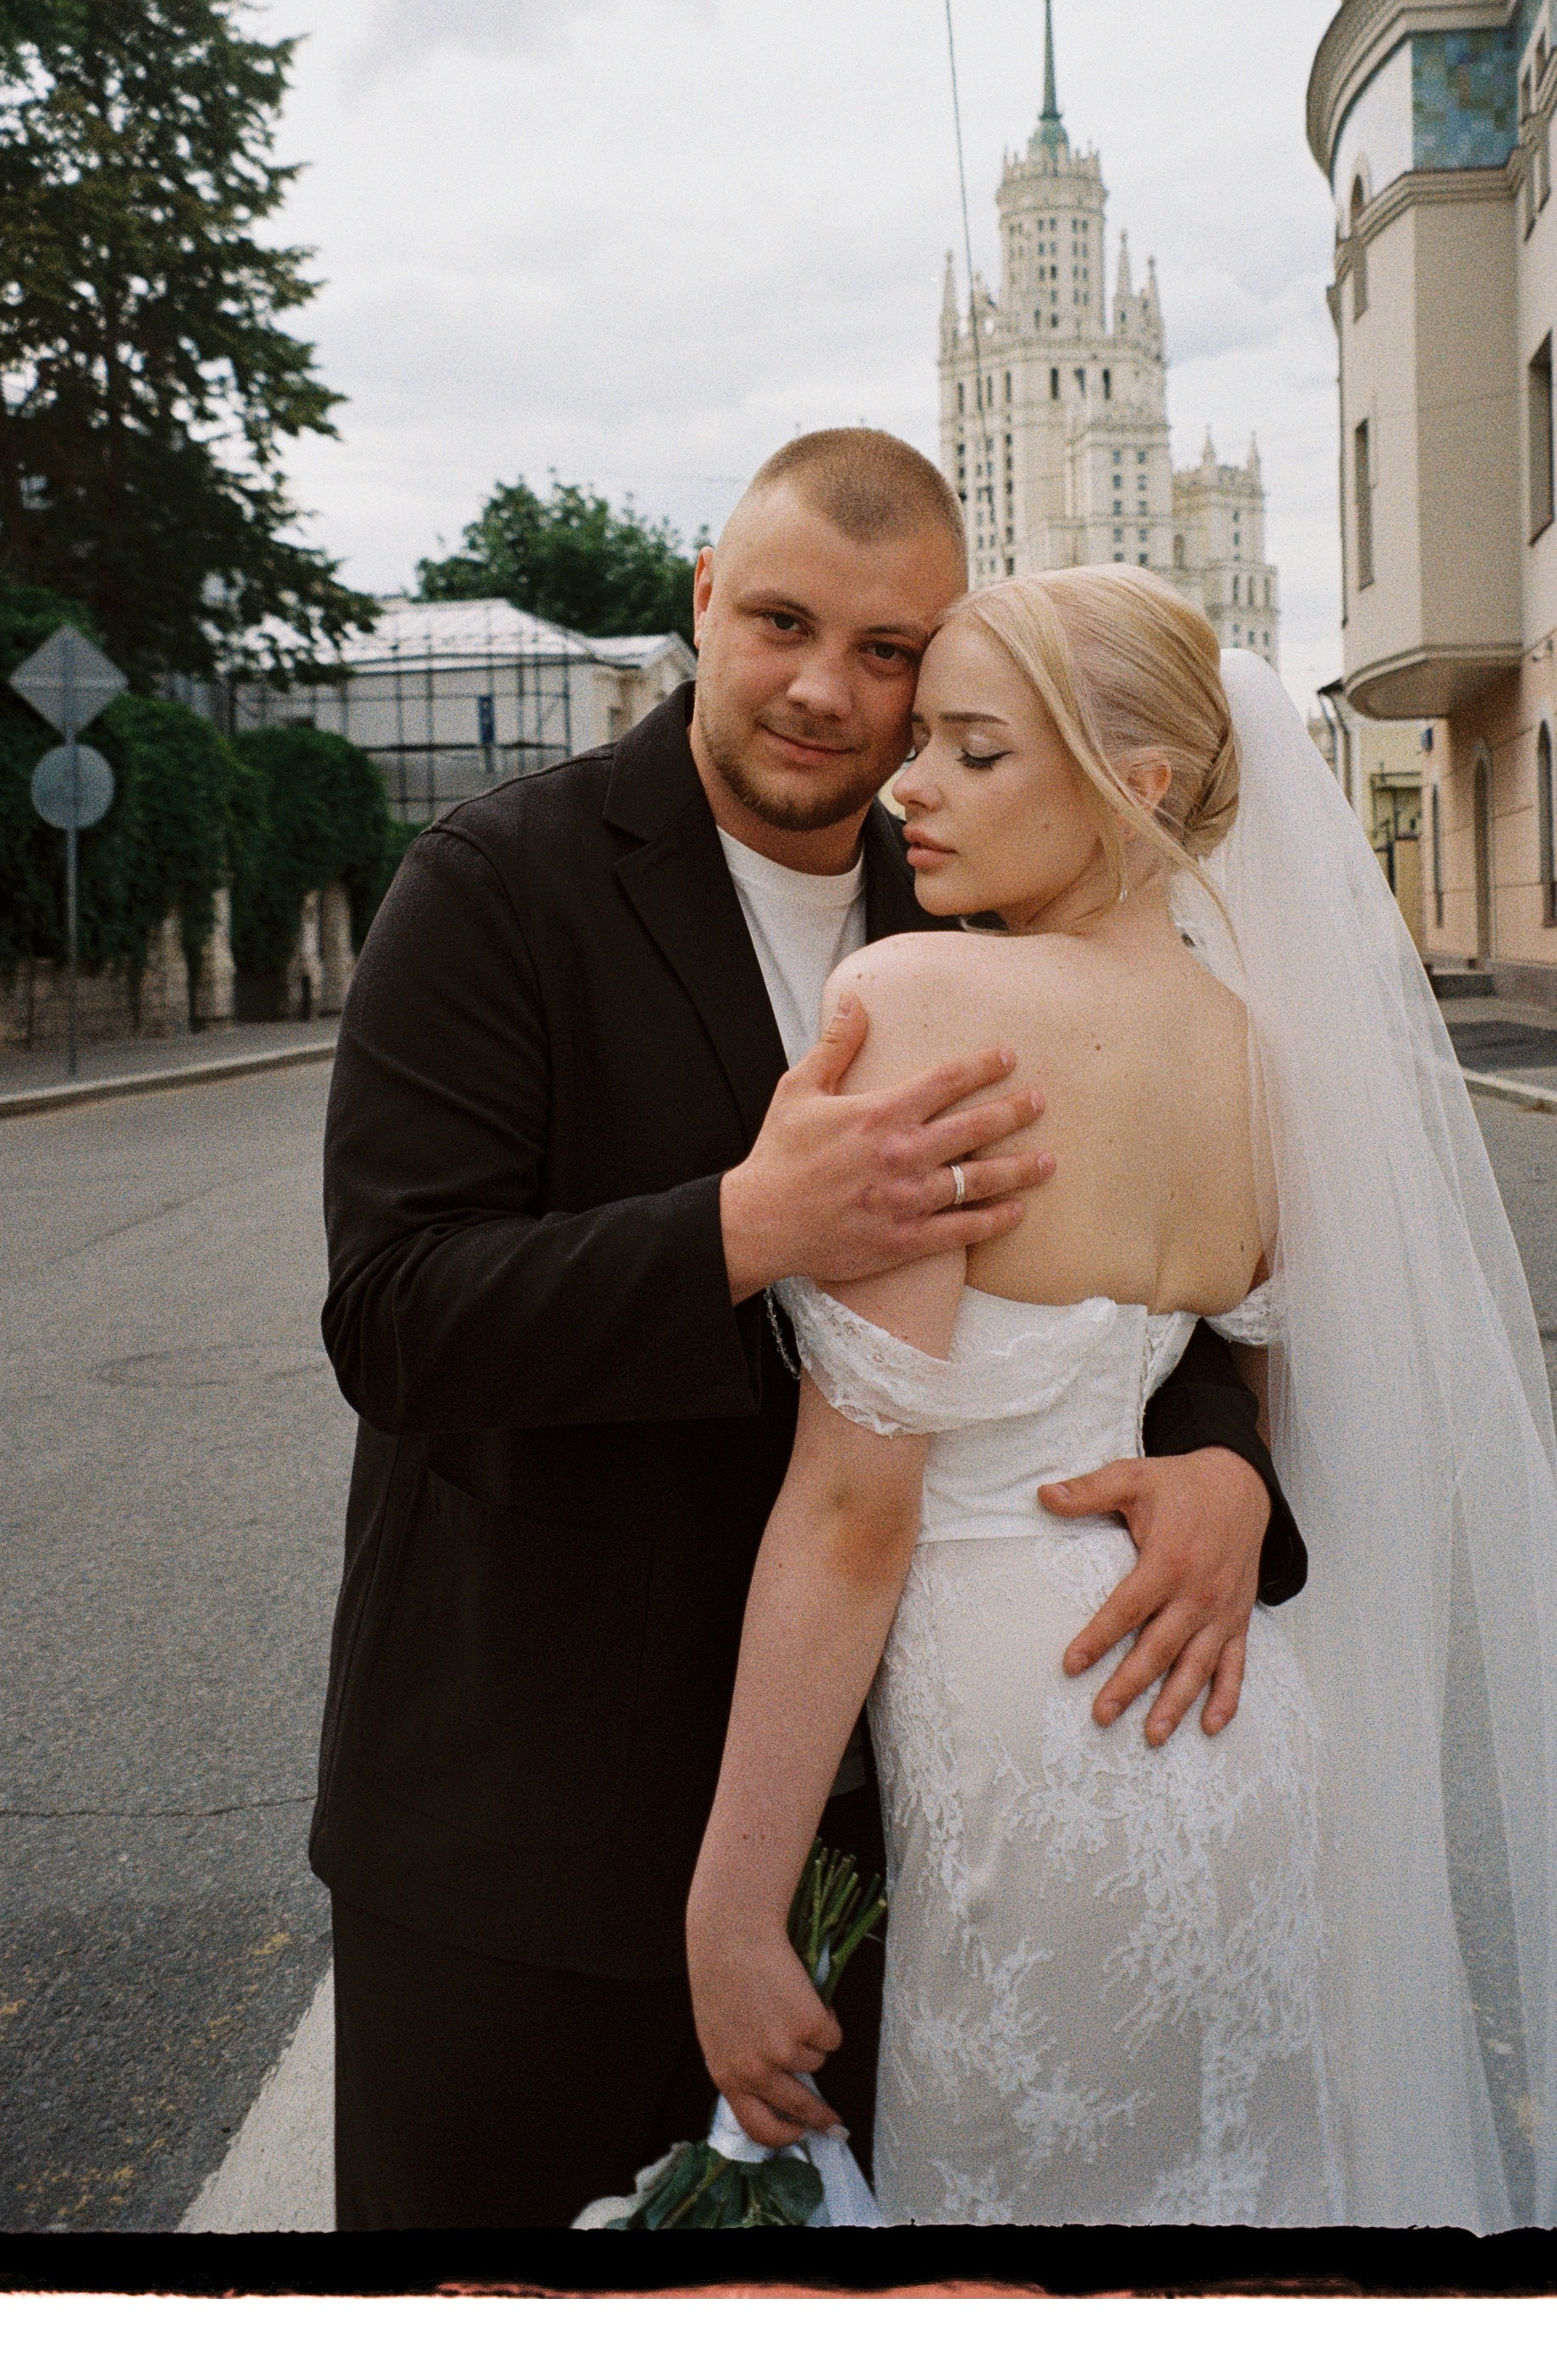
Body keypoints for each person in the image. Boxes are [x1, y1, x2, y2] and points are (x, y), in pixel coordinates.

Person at [310, 433, 1303, 2230]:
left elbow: (1138, 1305)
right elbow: (396, 1320)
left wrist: (1227, 1467)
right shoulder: (496, 879)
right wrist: (743, 1226)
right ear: (703, 600)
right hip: (527, 1825)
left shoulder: (981, 882)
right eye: (780, 622)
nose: (828, 692)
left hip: (900, 1825)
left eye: (890, 652)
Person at [687, 566, 1557, 2231]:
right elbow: (1278, 1390)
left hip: (1030, 1748)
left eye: (973, 751)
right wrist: (1227, 1473)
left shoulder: (923, 1001)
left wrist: (733, 1902)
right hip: (1238, 1715)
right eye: (920, 742)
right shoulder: (1259, 1052)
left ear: (1133, 784)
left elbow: (853, 1512)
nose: (909, 786)